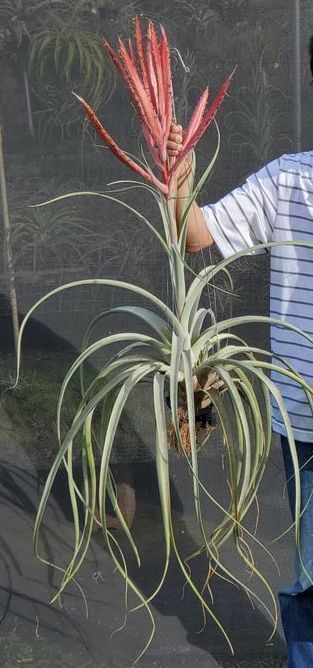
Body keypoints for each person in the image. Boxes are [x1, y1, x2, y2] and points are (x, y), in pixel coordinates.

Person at [167, 37, 313, 668]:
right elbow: (197, 232)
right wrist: (179, 171)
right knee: (312, 576)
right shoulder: (288, 181)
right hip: (307, 426)